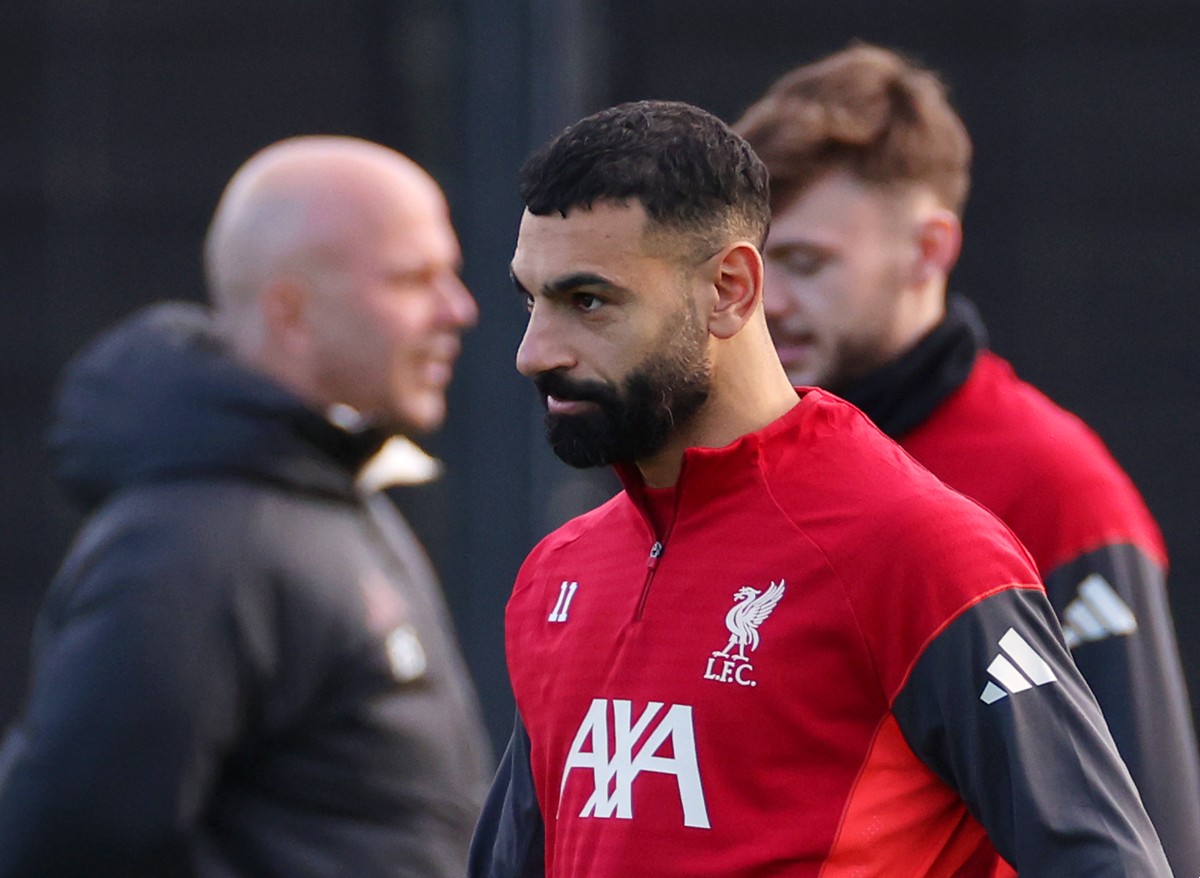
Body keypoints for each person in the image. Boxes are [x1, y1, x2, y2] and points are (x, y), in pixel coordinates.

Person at [468, 99, 1170, 877]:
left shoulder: (918, 549)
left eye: (588, 301)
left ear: (731, 289)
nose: (535, 352)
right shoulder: (560, 571)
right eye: (531, 300)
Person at [734, 43, 1200, 876]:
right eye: (761, 267)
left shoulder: (1053, 484)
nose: (773, 303)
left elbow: (1151, 834)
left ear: (929, 251)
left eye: (807, 263)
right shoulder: (736, 463)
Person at [0, 136, 493, 876]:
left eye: (450, 275)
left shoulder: (320, 490)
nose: (458, 309)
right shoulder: (190, 546)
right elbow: (66, 848)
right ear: (291, 311)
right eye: (413, 279)